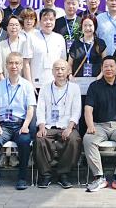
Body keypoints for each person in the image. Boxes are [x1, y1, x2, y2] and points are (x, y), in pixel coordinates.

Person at [82, 58, 116, 193]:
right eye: (106, 66)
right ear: (102, 68)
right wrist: (90, 125)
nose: (109, 69)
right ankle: (99, 177)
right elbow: (88, 108)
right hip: (99, 126)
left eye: (112, 66)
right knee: (88, 139)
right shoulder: (94, 86)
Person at [0, 53, 37, 190]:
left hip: (20, 124)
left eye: (17, 63)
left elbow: (30, 109)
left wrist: (26, 126)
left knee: (24, 141)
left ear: (21, 66)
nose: (13, 66)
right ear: (6, 65)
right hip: (3, 125)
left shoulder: (27, 86)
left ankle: (22, 178)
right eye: (10, 63)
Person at [34, 59, 83, 188]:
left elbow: (76, 110)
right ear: (52, 72)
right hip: (49, 125)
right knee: (40, 139)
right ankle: (45, 175)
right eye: (56, 69)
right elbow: (40, 109)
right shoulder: (45, 88)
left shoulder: (74, 88)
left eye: (62, 69)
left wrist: (70, 127)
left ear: (68, 71)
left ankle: (64, 174)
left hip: (67, 125)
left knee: (74, 140)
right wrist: (41, 126)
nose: (59, 72)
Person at [29, 8, 68, 88]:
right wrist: (30, 84)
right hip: (36, 84)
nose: (48, 22)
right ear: (39, 22)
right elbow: (26, 63)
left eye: (51, 19)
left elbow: (63, 61)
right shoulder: (32, 37)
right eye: (45, 19)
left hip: (56, 83)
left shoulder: (60, 38)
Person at [0, 16, 31, 82]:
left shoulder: (25, 44)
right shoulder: (0, 45)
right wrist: (5, 84)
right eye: (11, 25)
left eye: (16, 25)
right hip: (5, 83)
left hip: (23, 83)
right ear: (7, 27)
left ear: (21, 27)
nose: (13, 27)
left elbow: (27, 66)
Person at [69, 15, 108, 80]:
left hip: (97, 80)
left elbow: (105, 62)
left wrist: (100, 75)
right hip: (78, 80)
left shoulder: (100, 43)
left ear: (95, 26)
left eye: (90, 25)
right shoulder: (75, 44)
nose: (87, 28)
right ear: (81, 27)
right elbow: (69, 64)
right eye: (85, 25)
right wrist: (70, 75)